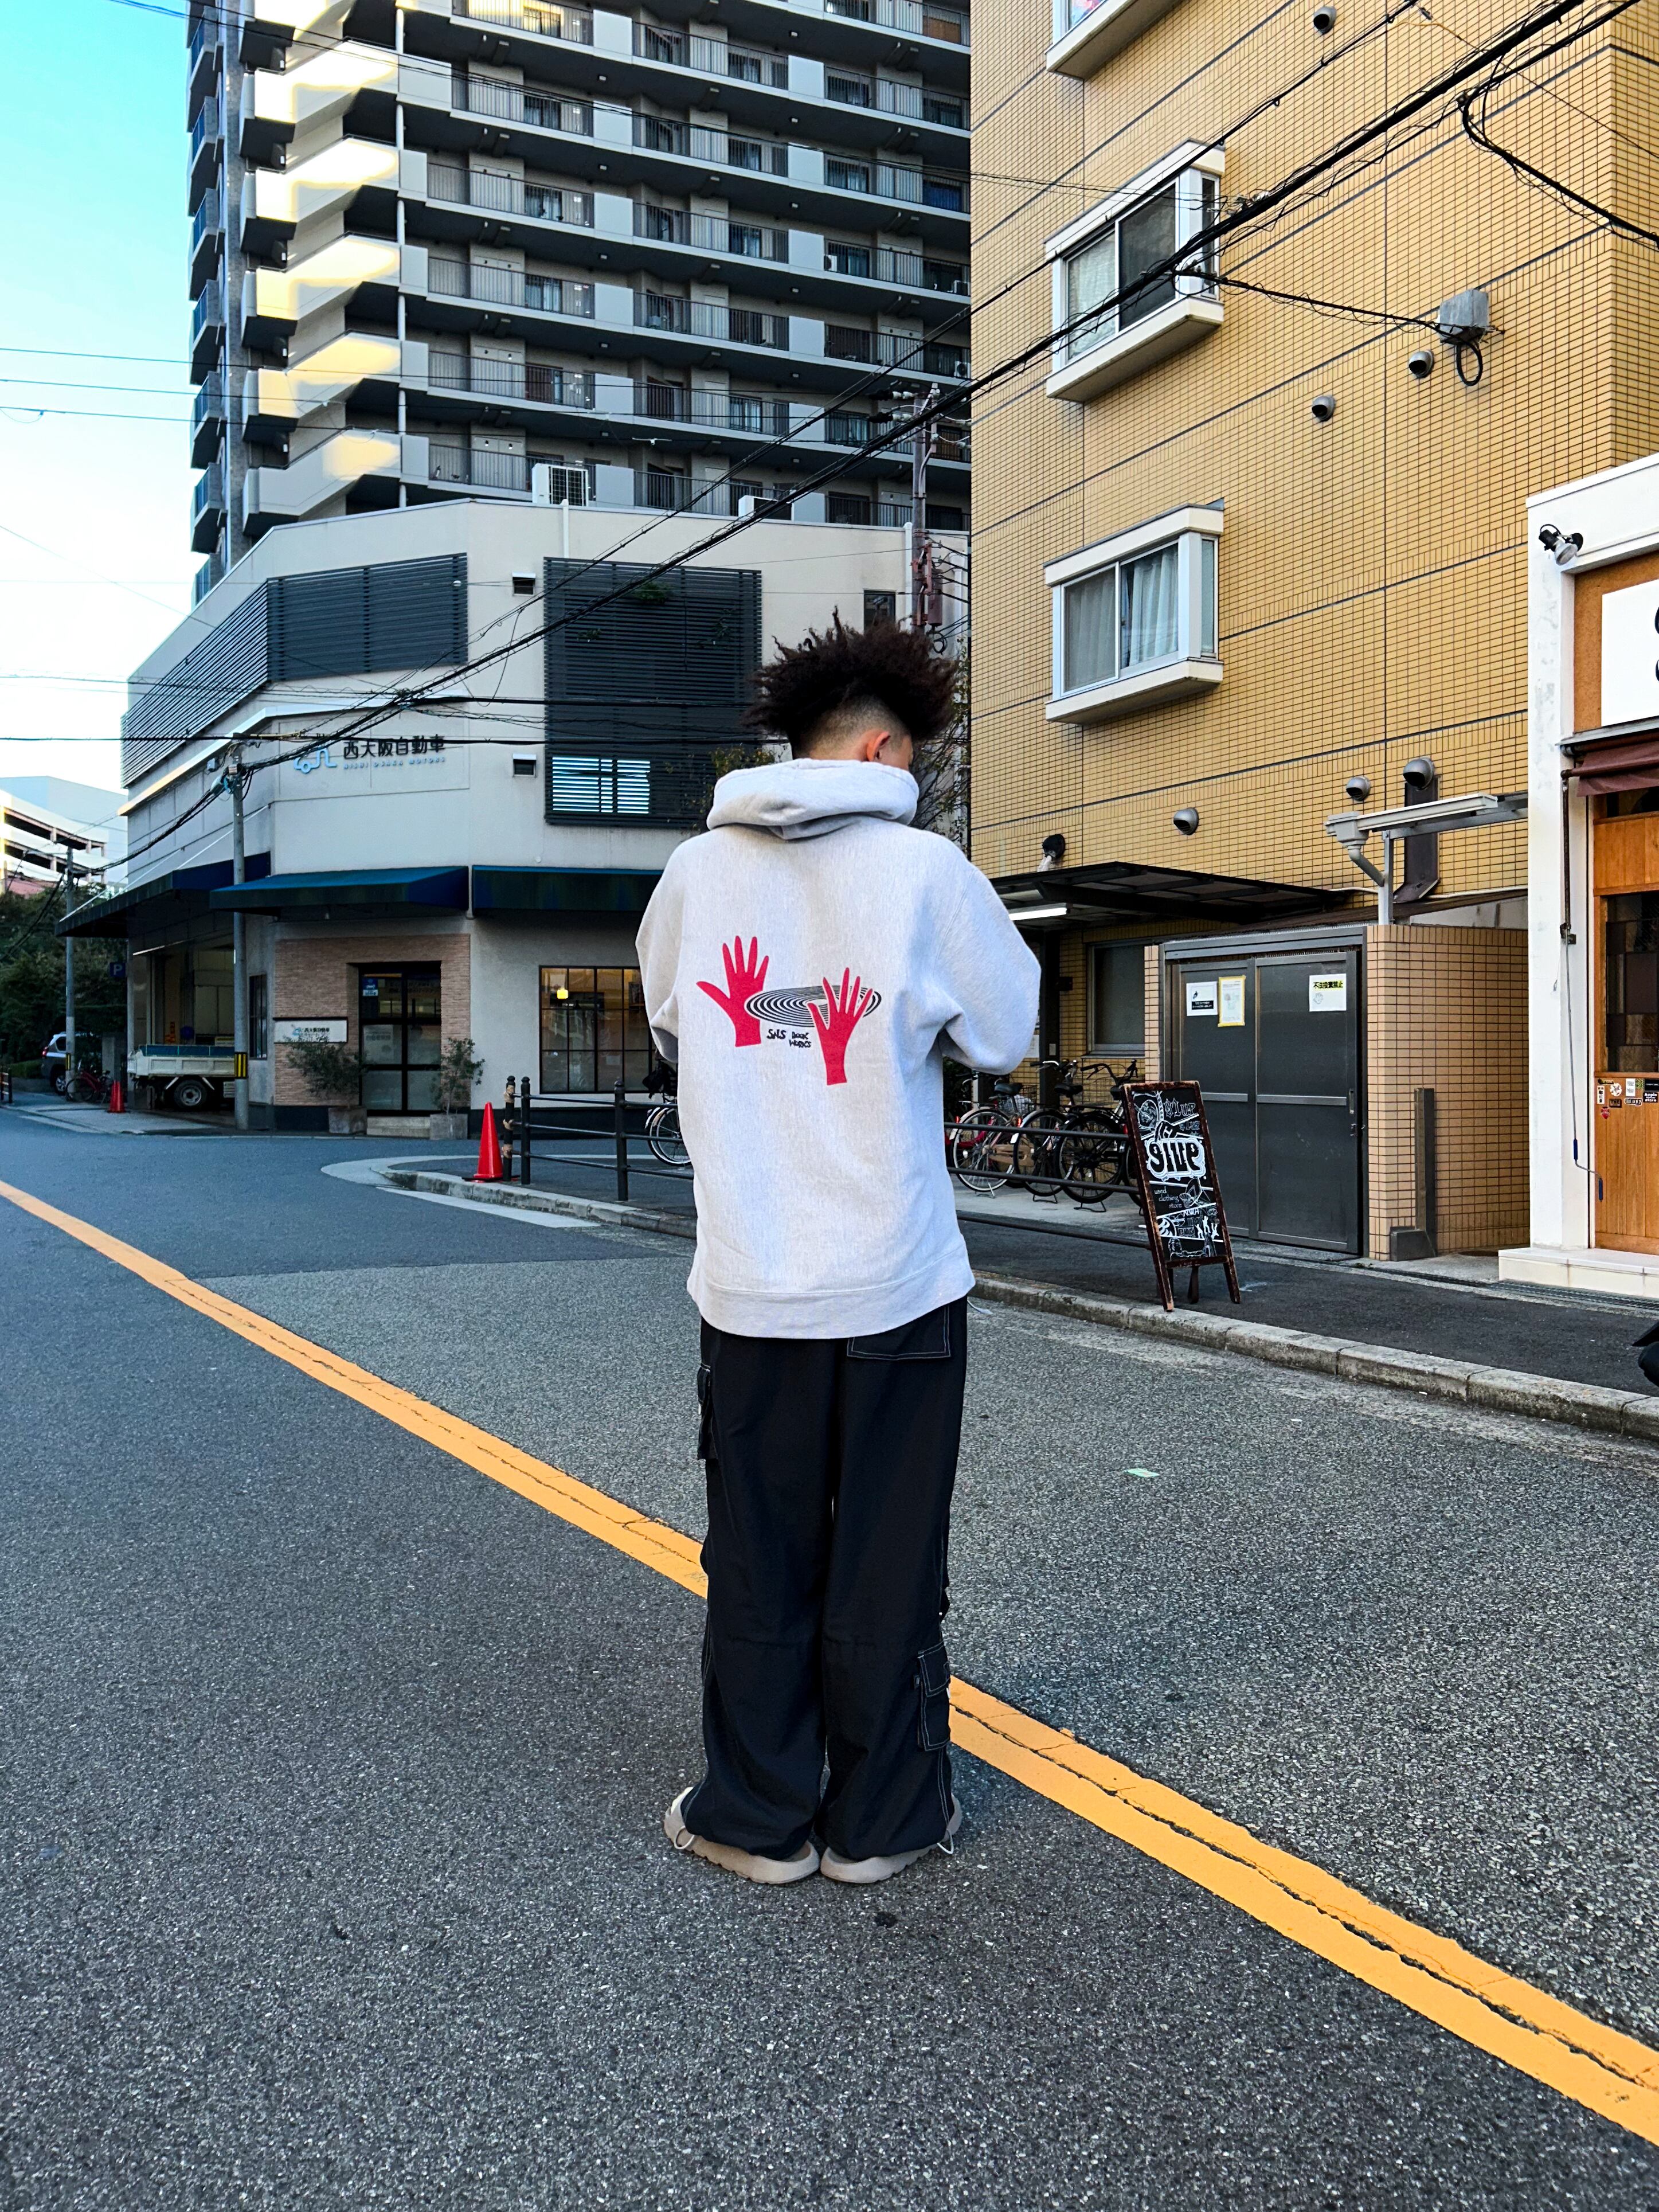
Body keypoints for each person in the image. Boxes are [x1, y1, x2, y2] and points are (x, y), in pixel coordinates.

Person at [636, 616, 1039, 1887]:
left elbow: (672, 1026)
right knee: (889, 1555)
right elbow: (1007, 1033)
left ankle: (753, 1816)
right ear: (882, 749)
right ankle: (886, 1821)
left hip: (752, 1282)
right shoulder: (928, 873)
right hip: (898, 1281)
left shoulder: (691, 875)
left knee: (758, 1555)